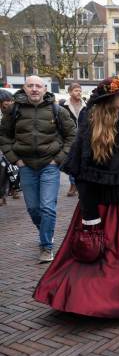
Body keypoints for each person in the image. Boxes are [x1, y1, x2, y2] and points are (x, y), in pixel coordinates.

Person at [33, 77, 119, 318]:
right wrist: (90, 217)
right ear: (106, 99)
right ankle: (91, 302)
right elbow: (83, 176)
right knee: (100, 258)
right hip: (102, 208)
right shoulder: (92, 129)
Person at [0, 76, 76, 262]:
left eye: (38, 86)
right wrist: (15, 159)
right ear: (24, 88)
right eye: (30, 86)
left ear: (45, 89)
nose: (34, 89)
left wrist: (58, 159)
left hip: (49, 166)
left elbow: (72, 135)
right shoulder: (13, 110)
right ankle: (46, 232)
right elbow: (4, 136)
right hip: (25, 166)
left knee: (47, 207)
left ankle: (46, 246)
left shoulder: (57, 110)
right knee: (34, 209)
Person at [63, 83, 87, 197]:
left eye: (80, 90)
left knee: (81, 160)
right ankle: (73, 185)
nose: (79, 92)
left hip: (83, 137)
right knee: (72, 159)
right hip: (69, 137)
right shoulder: (64, 106)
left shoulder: (86, 105)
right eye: (76, 90)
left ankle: (78, 184)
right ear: (70, 92)